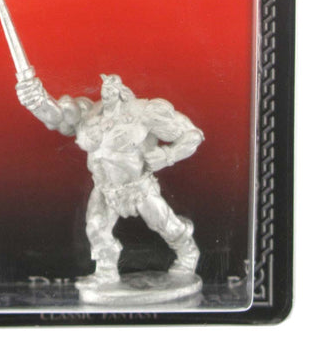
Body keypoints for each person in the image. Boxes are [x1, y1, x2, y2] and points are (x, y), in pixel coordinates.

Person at [16, 73, 204, 285]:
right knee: (96, 228)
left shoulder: (143, 113)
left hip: (138, 188)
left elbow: (192, 135)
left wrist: (168, 155)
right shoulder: (87, 113)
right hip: (105, 189)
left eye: (111, 89)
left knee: (167, 226)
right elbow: (57, 117)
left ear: (122, 92)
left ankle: (188, 254)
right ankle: (106, 271)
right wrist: (37, 101)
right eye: (104, 88)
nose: (106, 92)